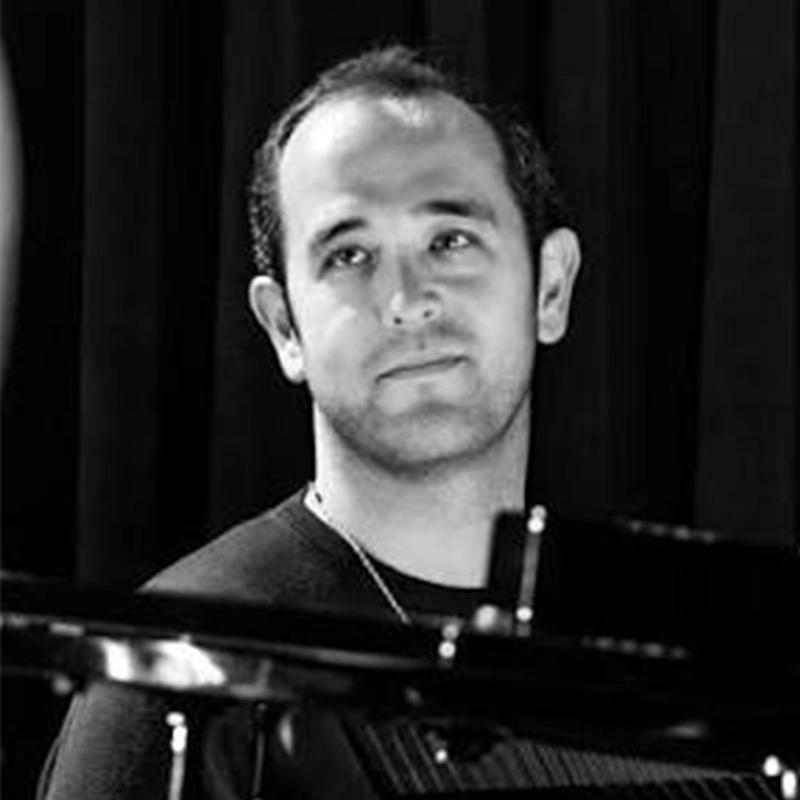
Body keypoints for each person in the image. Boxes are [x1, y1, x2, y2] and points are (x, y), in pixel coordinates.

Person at [40, 46, 736, 799]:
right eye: (349, 255)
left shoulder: (679, 662)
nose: (406, 298)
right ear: (283, 328)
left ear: (551, 287)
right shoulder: (173, 680)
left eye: (451, 240)